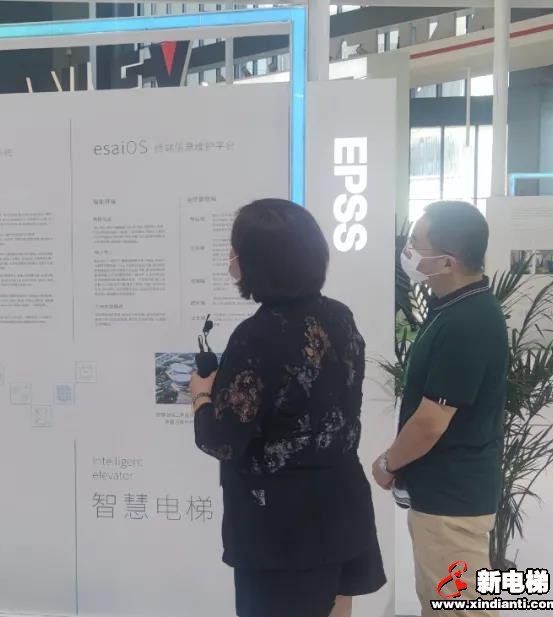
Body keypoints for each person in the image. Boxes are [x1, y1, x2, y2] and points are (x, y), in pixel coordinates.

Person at [190, 198, 385, 617]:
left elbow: (222, 440)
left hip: (281, 523)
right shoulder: (340, 316)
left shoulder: (255, 336)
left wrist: (201, 395)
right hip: (341, 502)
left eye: (235, 249)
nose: (230, 258)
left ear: (256, 261)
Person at [373, 201, 507, 617]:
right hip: (446, 493)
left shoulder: (467, 322)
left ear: (448, 261)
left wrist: (388, 463)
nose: (408, 250)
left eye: (416, 242)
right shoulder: (454, 306)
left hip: (453, 501)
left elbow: (431, 422)